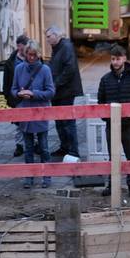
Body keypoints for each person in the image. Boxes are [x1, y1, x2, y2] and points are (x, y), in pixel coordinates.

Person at [96, 44, 130, 199]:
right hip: (112, 125)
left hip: (129, 125)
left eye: (118, 59)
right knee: (113, 157)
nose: (115, 62)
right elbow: (101, 102)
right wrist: (107, 119)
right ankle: (111, 185)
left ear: (124, 58)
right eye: (113, 59)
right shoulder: (105, 79)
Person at [11, 39, 55, 189]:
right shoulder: (19, 69)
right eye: (29, 54)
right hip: (25, 112)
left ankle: (46, 176)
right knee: (28, 148)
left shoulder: (45, 70)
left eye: (34, 55)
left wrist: (33, 93)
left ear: (38, 55)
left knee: (44, 147)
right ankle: (29, 177)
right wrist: (19, 93)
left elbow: (50, 91)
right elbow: (13, 89)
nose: (31, 57)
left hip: (40, 112)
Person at [45, 25, 83, 158]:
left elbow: (69, 69)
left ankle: (73, 151)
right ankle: (64, 147)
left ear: (57, 35)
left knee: (67, 122)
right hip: (58, 91)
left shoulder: (66, 47)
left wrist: (55, 84)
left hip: (66, 91)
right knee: (59, 121)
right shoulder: (57, 48)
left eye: (49, 36)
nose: (47, 39)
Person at [3, 34, 28, 157]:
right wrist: (7, 97)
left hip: (30, 96)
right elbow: (7, 81)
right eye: (18, 47)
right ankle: (19, 145)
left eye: (22, 47)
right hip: (16, 97)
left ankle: (34, 144)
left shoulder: (33, 58)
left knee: (32, 121)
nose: (20, 50)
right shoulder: (11, 61)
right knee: (18, 123)